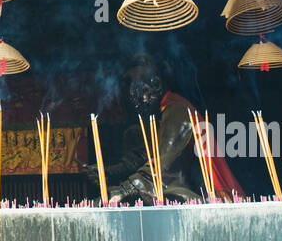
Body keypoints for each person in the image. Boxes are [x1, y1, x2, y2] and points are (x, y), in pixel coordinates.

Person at [85, 54, 243, 204]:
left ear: (156, 86)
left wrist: (126, 189)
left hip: (204, 195)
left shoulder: (177, 111)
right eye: (132, 96)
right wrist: (109, 171)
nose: (136, 102)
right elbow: (143, 155)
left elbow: (161, 164)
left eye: (140, 92)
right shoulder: (157, 116)